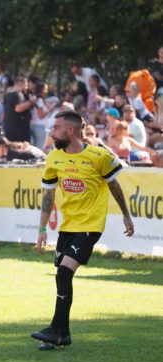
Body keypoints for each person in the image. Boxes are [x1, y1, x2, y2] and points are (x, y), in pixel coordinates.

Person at [32, 110, 134, 349]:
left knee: (65, 272)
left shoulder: (99, 156)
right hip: (67, 227)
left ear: (70, 130)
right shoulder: (54, 158)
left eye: (56, 128)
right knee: (61, 276)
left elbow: (115, 186)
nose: (52, 132)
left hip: (90, 226)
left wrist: (126, 215)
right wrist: (42, 228)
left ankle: (55, 330)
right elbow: (49, 195)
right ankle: (63, 335)